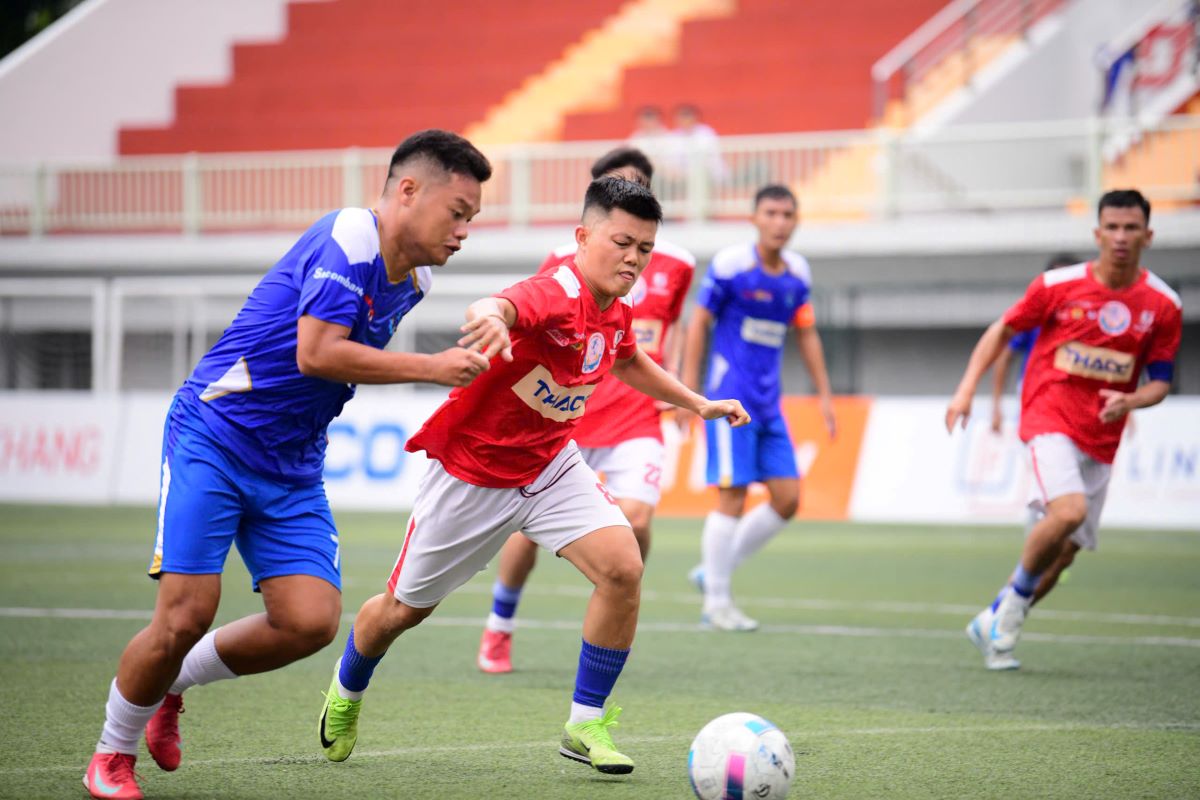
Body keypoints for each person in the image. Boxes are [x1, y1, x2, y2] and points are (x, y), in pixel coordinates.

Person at [82, 130, 494, 800]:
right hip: (216, 435)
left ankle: (171, 686)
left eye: (471, 220)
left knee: (308, 622)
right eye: (459, 211)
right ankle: (111, 754)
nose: (464, 231)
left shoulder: (411, 283)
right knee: (186, 612)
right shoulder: (349, 237)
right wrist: (433, 369)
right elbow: (317, 354)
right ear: (408, 191)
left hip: (292, 463)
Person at [317, 177, 749, 777]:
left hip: (549, 464)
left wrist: (695, 402)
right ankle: (347, 689)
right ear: (583, 236)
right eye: (622, 242)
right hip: (473, 474)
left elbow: (626, 357)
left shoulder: (614, 308)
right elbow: (499, 304)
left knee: (623, 566)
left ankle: (585, 721)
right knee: (401, 611)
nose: (633, 258)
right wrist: (489, 318)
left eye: (644, 249)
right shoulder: (554, 291)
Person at [476, 147, 696, 674]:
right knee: (525, 531)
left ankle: (613, 596)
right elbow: (532, 321)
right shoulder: (560, 261)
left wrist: (685, 394)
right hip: (570, 415)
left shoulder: (676, 262)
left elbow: (674, 329)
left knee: (637, 518)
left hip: (637, 415)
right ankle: (499, 625)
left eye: (638, 185)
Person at [947, 189, 1182, 671]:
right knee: (1068, 511)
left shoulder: (1162, 304)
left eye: (1130, 228)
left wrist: (1133, 400)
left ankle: (992, 620)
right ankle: (1009, 613)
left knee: (1066, 553)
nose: (1120, 237)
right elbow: (1002, 330)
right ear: (1097, 233)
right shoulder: (1056, 285)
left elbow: (1160, 382)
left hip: (1103, 434)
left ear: (1148, 235)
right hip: (1048, 414)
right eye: (1111, 228)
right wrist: (966, 389)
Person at [680, 184, 837, 632]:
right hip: (730, 400)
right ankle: (716, 601)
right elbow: (699, 322)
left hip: (769, 405)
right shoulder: (732, 266)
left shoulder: (797, 274)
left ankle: (715, 570)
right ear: (754, 218)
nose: (780, 222)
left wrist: (824, 395)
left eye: (788, 214)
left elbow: (806, 332)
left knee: (788, 499)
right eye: (771, 213)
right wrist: (691, 392)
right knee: (732, 496)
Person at [989, 253, 1082, 433]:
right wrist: (996, 405)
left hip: (1078, 401)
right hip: (1036, 396)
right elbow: (1004, 355)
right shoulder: (1035, 317)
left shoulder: (1090, 319)